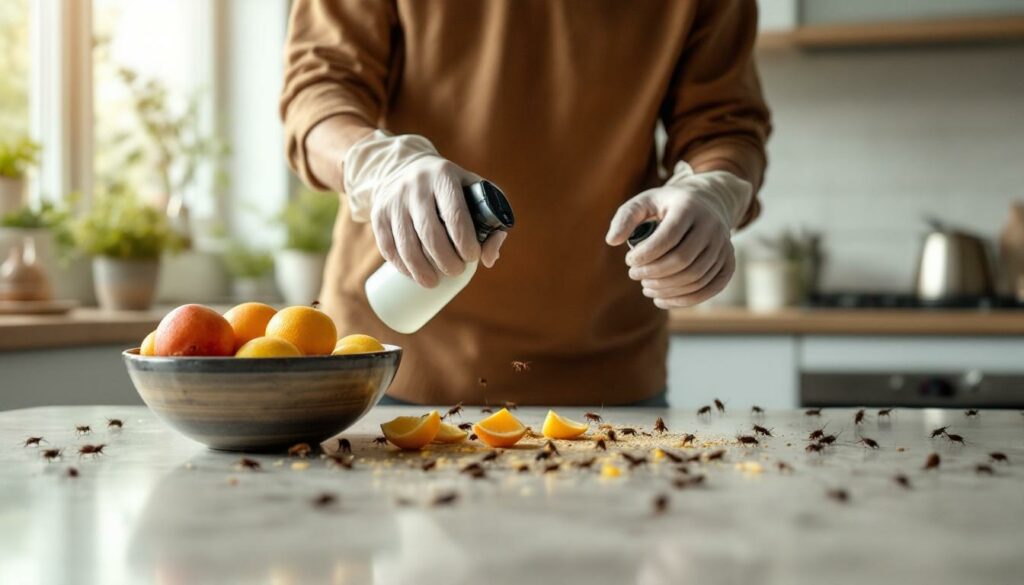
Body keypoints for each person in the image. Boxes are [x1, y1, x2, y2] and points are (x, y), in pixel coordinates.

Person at [280, 0, 771, 406]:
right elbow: (317, 93)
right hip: (386, 363)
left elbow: (724, 124)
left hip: (607, 376)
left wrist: (712, 191)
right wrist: (381, 165)